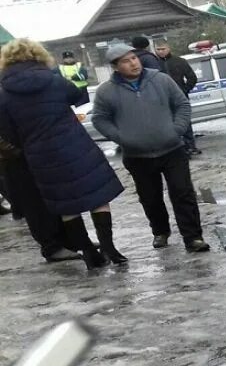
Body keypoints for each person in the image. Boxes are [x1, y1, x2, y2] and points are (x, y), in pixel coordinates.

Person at [0, 39, 126, 268]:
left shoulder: (4, 93)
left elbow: (7, 130)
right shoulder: (53, 79)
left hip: (39, 155)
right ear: (38, 55)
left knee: (65, 204)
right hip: (74, 144)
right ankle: (109, 246)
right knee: (98, 196)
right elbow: (76, 96)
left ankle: (88, 252)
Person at [91, 44, 210, 253]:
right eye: (126, 61)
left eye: (134, 58)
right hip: (137, 155)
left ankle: (193, 237)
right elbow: (100, 119)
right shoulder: (106, 91)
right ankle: (160, 231)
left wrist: (177, 129)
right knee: (150, 196)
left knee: (182, 192)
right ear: (116, 67)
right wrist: (122, 138)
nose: (133, 63)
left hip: (172, 149)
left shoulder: (160, 79)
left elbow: (181, 104)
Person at [0, 135, 82, 263]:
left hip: (33, 150)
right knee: (33, 203)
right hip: (16, 156)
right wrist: (10, 148)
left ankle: (68, 241)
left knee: (51, 196)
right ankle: (52, 247)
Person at [155, 41, 200, 156]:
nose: (161, 51)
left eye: (163, 49)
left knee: (185, 122)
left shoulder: (179, 61)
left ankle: (190, 146)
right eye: (158, 49)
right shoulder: (154, 64)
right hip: (163, 99)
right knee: (168, 124)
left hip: (180, 97)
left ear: (169, 48)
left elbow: (192, 78)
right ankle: (178, 148)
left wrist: (184, 90)